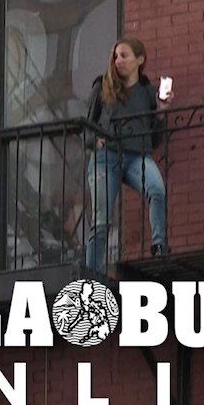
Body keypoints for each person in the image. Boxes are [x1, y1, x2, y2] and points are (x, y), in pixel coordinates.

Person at [84, 37, 173, 270]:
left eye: (124, 55)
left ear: (139, 59)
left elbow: (154, 139)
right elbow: (86, 126)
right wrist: (95, 140)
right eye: (115, 56)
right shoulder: (102, 86)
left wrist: (161, 112)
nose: (118, 61)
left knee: (157, 190)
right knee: (101, 220)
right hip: (106, 157)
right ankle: (91, 271)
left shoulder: (148, 93)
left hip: (137, 156)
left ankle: (160, 245)